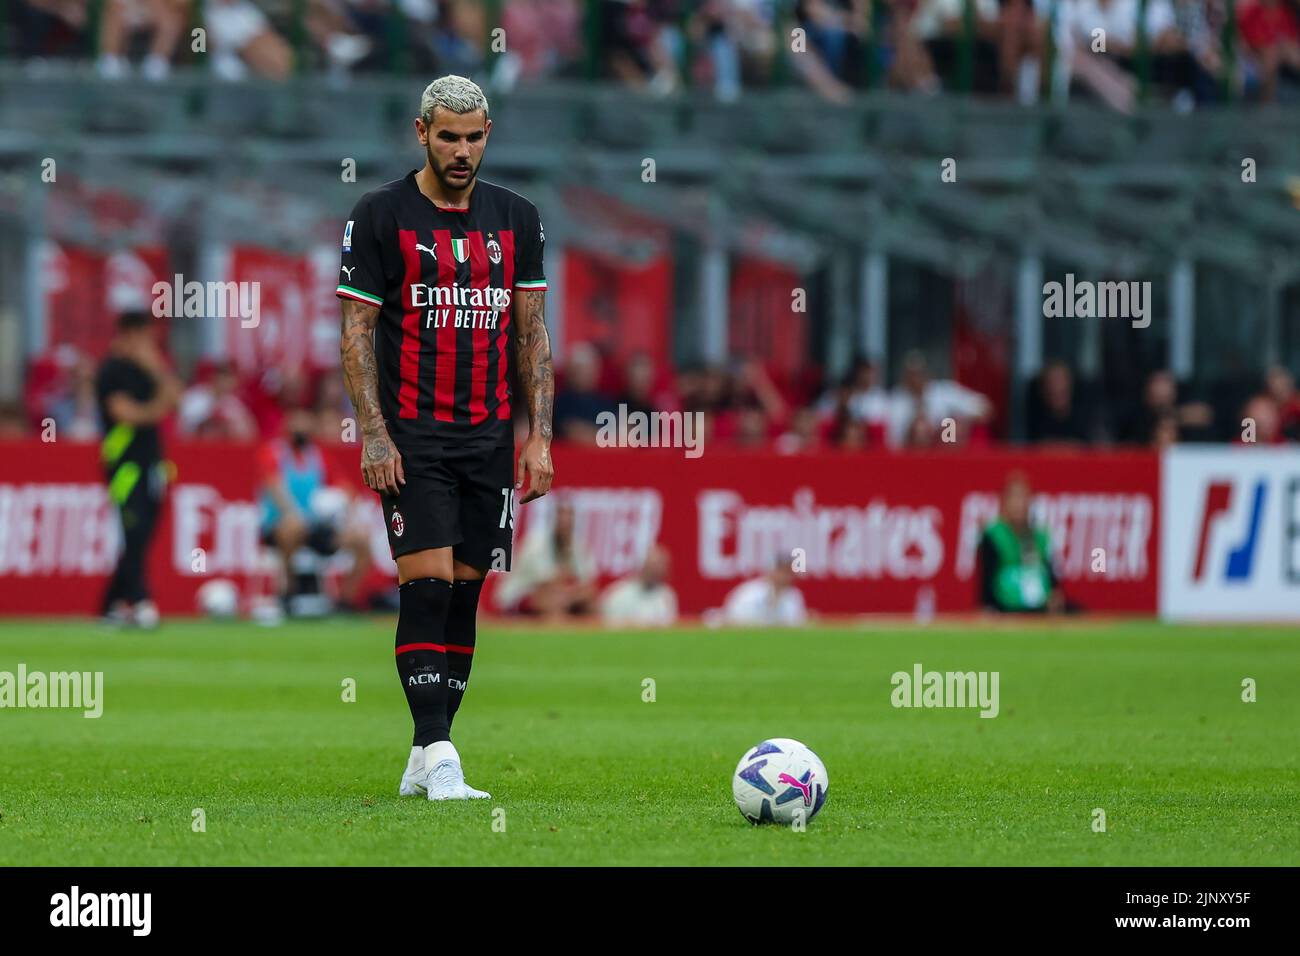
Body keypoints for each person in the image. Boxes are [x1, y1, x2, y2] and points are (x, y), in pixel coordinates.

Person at [337, 75, 554, 801]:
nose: (461, 151)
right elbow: (357, 333)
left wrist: (539, 437)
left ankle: (424, 754)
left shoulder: (518, 219)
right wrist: (373, 434)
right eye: (448, 136)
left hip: (488, 440)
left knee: (465, 594)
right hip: (414, 437)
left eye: (473, 137)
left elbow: (531, 335)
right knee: (424, 587)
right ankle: (439, 749)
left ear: (488, 133)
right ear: (421, 131)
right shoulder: (379, 215)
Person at [95, 311, 181, 627]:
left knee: (143, 536)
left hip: (153, 463)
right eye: (143, 336)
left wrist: (156, 368)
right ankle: (141, 600)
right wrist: (157, 409)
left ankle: (111, 603)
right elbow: (125, 414)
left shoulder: (149, 371)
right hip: (124, 465)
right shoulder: (111, 371)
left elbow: (175, 397)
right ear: (128, 335)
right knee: (133, 530)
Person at [257, 406, 372, 613]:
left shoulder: (320, 456)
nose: (300, 425)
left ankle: (344, 602)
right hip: (279, 526)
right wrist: (294, 514)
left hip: (314, 527)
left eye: (305, 420)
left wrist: (349, 515)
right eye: (296, 420)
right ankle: (288, 593)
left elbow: (346, 490)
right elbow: (274, 487)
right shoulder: (273, 452)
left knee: (361, 540)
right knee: (292, 528)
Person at [494, 497, 598, 619]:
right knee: (551, 601)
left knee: (589, 603)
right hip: (520, 596)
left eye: (569, 517)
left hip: (561, 597)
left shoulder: (577, 546)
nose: (565, 522)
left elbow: (588, 584)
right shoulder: (535, 544)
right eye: (561, 516)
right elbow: (545, 585)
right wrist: (566, 591)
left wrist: (574, 595)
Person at [977, 472, 1063, 613]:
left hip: (1041, 608)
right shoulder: (993, 536)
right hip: (1007, 609)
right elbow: (986, 585)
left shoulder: (1041, 537)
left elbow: (1053, 577)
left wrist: (1055, 596)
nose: (1019, 504)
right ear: (1004, 502)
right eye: (1014, 498)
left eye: (1024, 498)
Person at [601, 544, 678, 627]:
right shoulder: (618, 595)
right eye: (652, 566)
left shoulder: (667, 595)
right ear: (642, 566)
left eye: (660, 566)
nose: (656, 571)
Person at [721, 558, 808, 626]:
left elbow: (798, 624)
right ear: (771, 570)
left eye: (789, 572)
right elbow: (732, 621)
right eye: (782, 571)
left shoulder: (795, 595)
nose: (786, 576)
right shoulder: (748, 592)